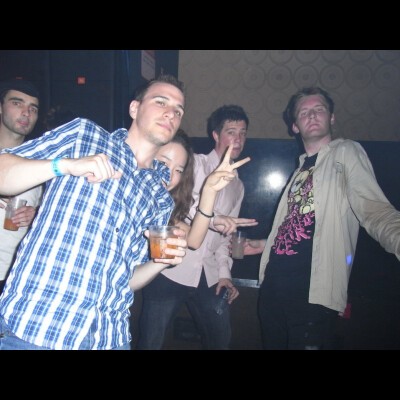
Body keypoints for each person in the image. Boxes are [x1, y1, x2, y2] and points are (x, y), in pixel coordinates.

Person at [0, 74, 188, 350]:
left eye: (178, 110)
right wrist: (65, 165)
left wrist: (161, 262)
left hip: (109, 338)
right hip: (37, 327)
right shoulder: (84, 136)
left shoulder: (160, 198)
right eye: (161, 102)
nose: (171, 113)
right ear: (134, 108)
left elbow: (127, 278)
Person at [243, 86, 400, 350]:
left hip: (311, 294)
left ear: (332, 117)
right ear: (295, 126)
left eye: (319, 109)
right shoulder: (300, 169)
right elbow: (294, 228)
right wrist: (262, 245)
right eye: (304, 112)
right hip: (272, 289)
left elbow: (375, 210)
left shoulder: (346, 152)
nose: (312, 115)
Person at [137, 104, 256, 350]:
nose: (238, 138)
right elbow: (178, 202)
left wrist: (224, 273)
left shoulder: (238, 186)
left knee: (220, 339)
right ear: (216, 135)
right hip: (170, 268)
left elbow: (226, 237)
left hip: (208, 274)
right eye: (231, 132)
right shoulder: (194, 164)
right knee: (150, 342)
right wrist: (213, 218)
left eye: (243, 133)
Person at [129, 130, 253, 291]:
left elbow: (194, 240)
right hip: (171, 277)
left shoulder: (160, 210)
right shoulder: (120, 192)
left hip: (205, 271)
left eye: (178, 170)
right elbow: (189, 200)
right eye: (163, 163)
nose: (169, 176)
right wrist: (214, 218)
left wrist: (209, 191)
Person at [0, 79, 43, 295]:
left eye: (33, 108)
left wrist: (36, 214)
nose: (26, 113)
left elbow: (52, 211)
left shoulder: (40, 163)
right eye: (17, 103)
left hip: (18, 277)